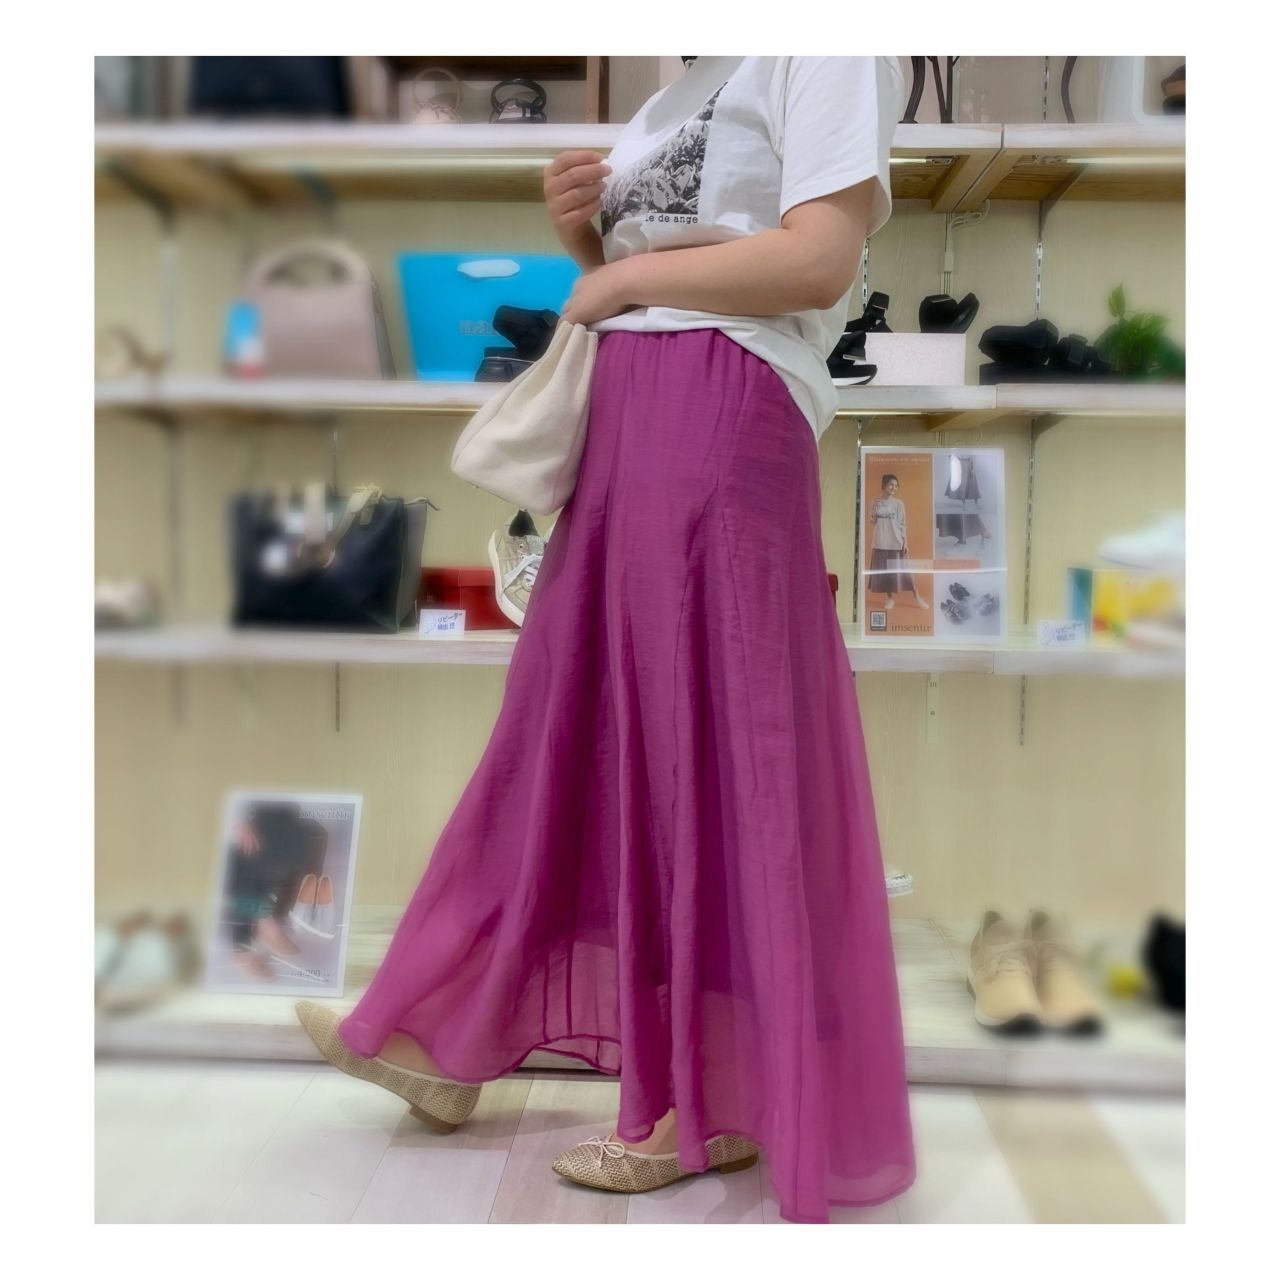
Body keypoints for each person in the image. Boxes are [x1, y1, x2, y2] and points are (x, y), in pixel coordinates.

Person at [296, 55, 916, 1225]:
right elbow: (648, 280)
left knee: (699, 746)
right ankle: (444, 1028)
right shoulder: (678, 87)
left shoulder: (823, 43)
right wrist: (585, 241)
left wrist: (612, 276)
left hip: (723, 400)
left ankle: (703, 1095)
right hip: (627, 411)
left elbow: (817, 260)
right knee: (567, 726)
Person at [869, 473, 930, 610]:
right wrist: (874, 509)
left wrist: (905, 542)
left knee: (907, 572)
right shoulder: (875, 501)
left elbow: (902, 524)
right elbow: (873, 521)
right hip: (880, 541)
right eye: (891, 484)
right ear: (884, 485)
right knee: (885, 573)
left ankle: (917, 597)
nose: (894, 488)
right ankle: (890, 598)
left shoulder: (898, 503)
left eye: (896, 486)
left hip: (896, 541)